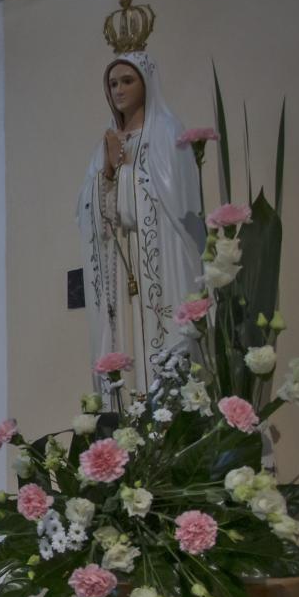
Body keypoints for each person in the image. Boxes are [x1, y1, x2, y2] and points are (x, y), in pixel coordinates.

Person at [77, 50, 205, 393]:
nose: (119, 90)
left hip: (160, 260)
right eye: (113, 84)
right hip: (120, 269)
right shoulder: (105, 143)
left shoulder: (166, 132)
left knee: (161, 348)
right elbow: (86, 208)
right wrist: (107, 170)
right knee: (126, 345)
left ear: (146, 84)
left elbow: (175, 202)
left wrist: (124, 172)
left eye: (127, 81)